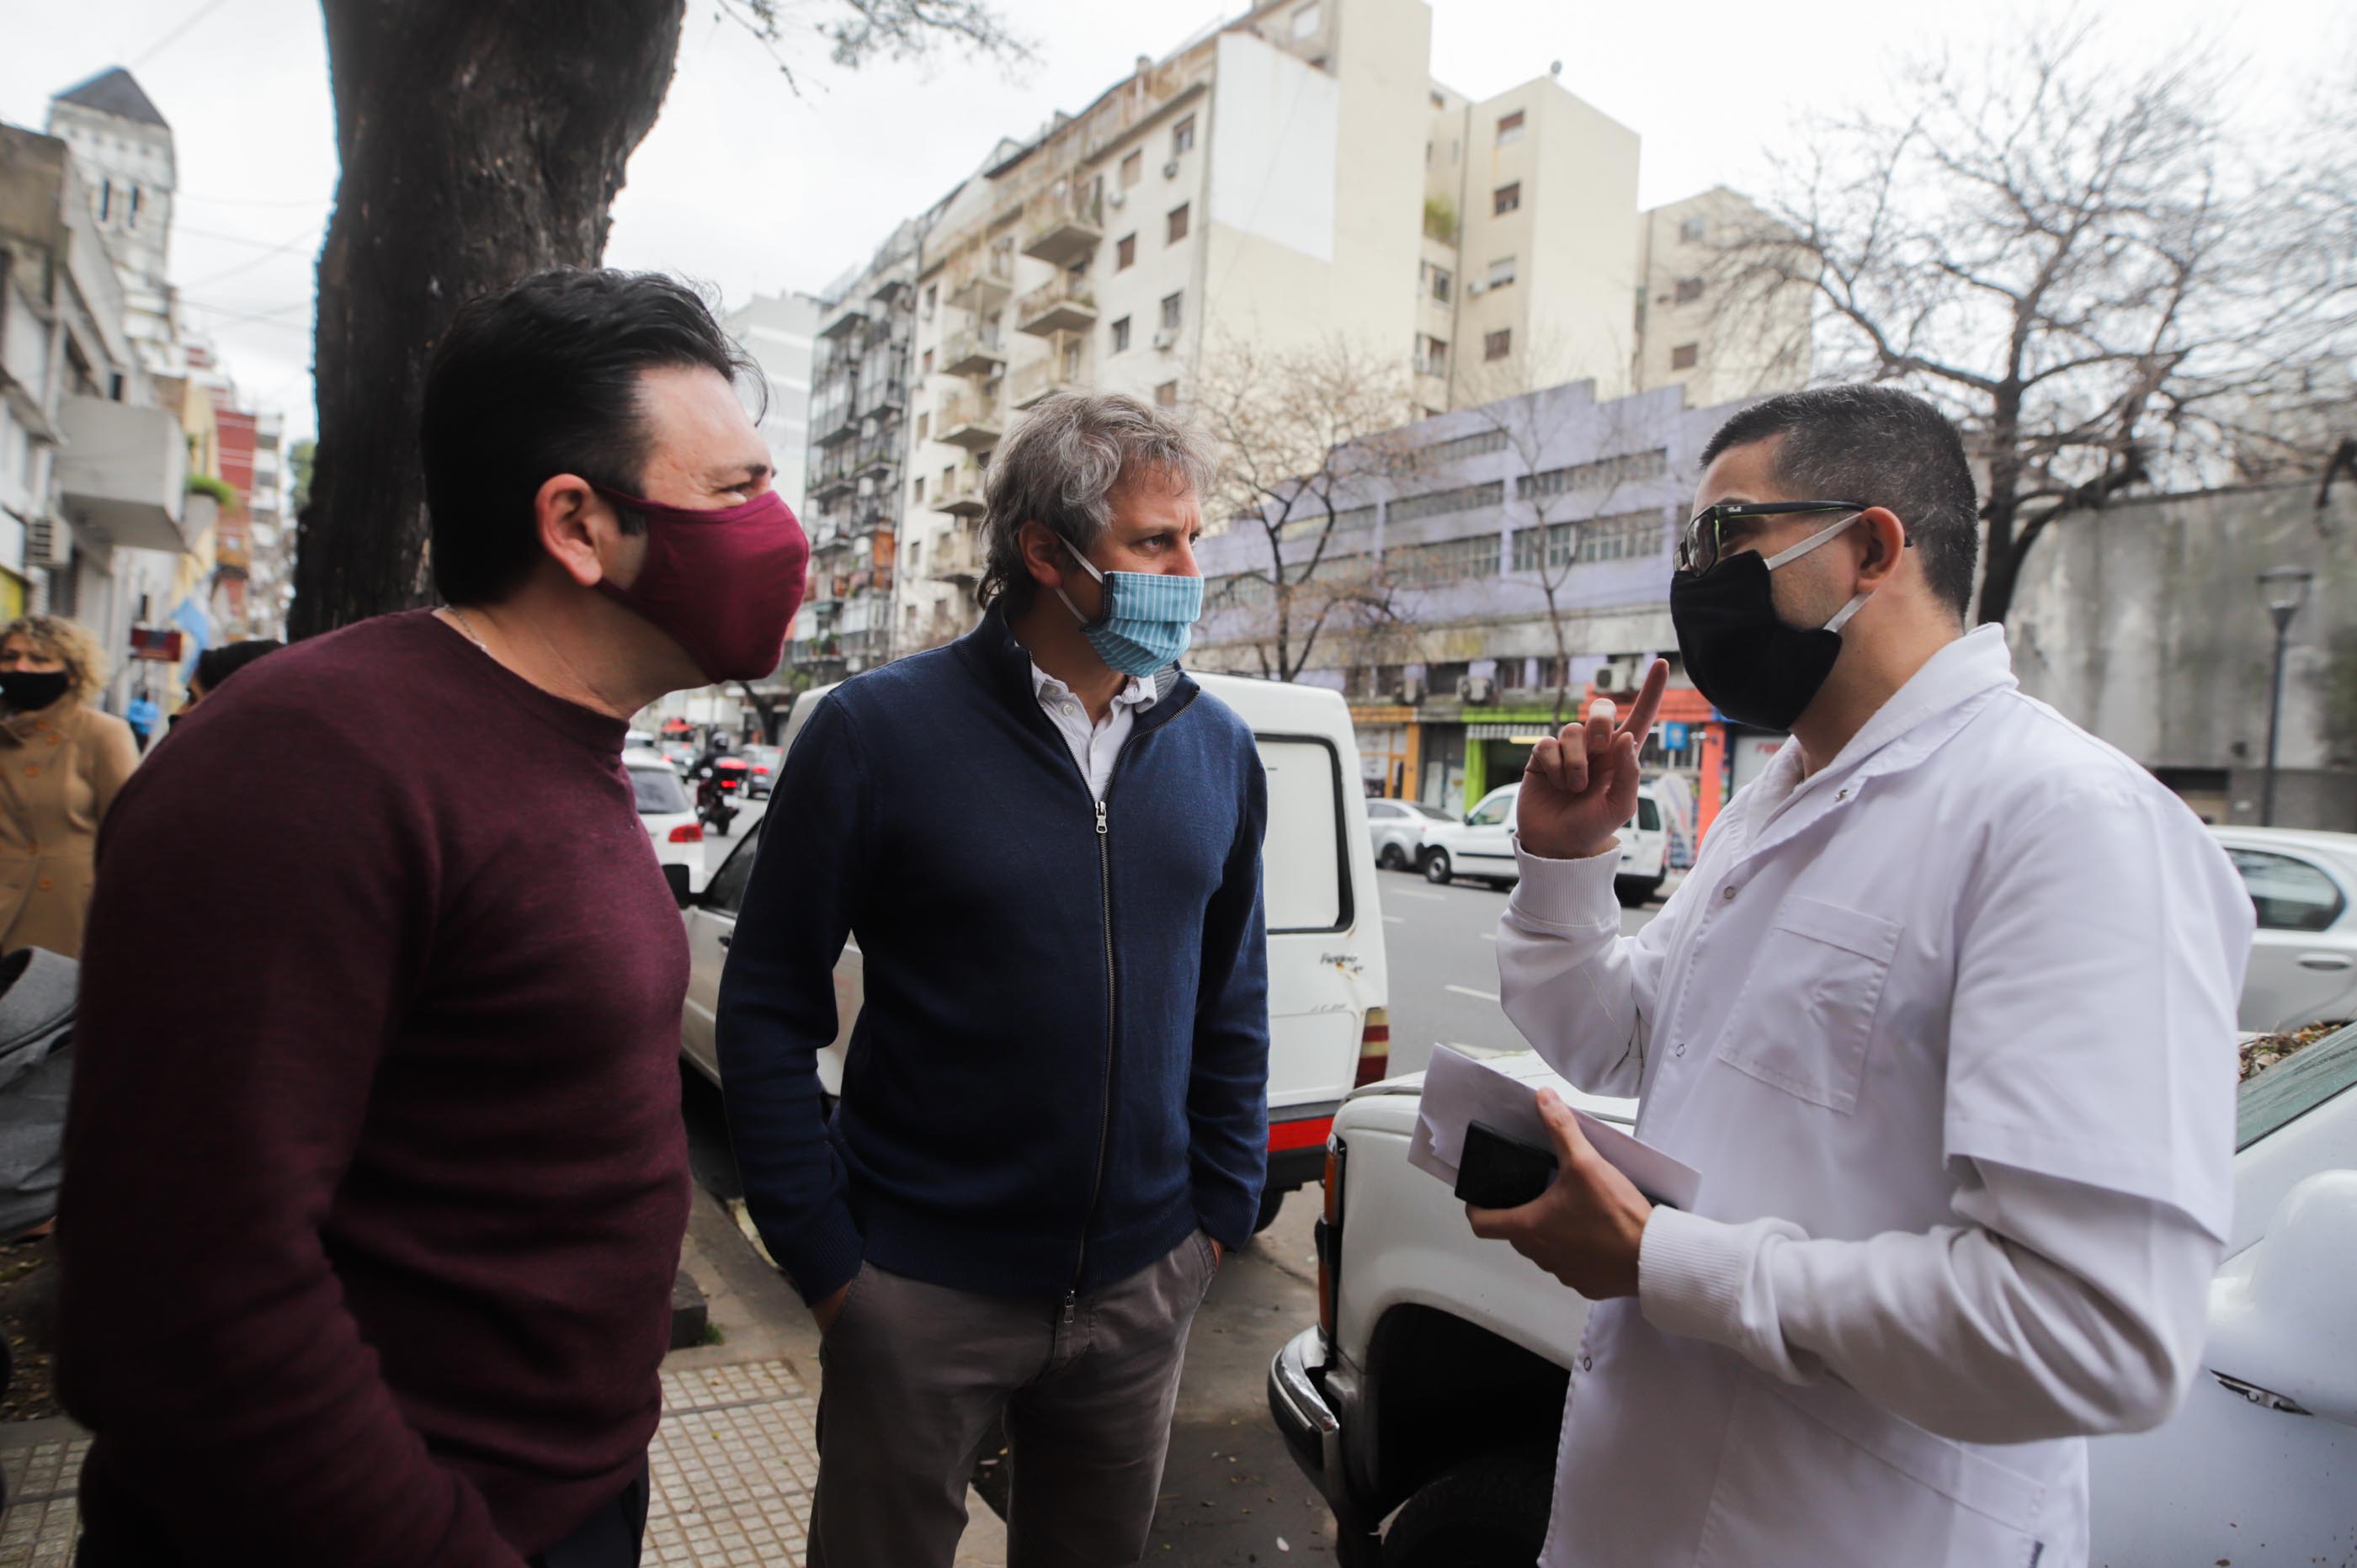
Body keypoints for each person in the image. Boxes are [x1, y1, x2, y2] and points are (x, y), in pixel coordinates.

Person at [56, 268, 807, 1567]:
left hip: (564, 1495)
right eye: (736, 490)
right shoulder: (308, 762)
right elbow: (177, 1303)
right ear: (578, 523)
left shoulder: (564, 747)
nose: (781, 528)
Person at [1475, 385, 2251, 1567]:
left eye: (1723, 537)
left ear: (1871, 546)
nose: (1694, 581)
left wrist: (1660, 1259)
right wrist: (1569, 861)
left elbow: (2095, 1330)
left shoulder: (2067, 821)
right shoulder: (1784, 794)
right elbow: (1618, 1041)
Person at [717, 392, 1269, 1567]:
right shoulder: (875, 733)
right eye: (1154, 541)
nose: (1189, 567)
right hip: (917, 1291)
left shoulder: (1217, 745)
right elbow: (767, 999)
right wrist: (826, 1261)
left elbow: (1232, 998)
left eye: (1193, 537)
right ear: (1045, 552)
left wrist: (1215, 1214)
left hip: (1141, 1288)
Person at [0, 616, 141, 959]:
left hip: (63, 914)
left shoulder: (102, 734)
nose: (21, 668)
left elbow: (127, 836)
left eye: (39, 659)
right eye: (9, 656)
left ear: (73, 673)